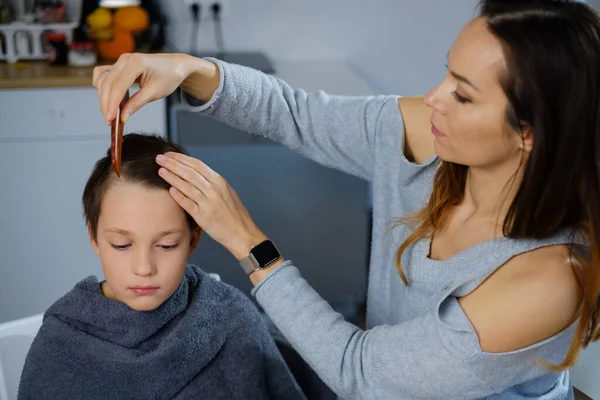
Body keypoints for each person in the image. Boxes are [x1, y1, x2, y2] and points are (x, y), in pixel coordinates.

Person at [92, 0, 600, 398]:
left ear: (531, 132)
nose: (433, 99)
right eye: (447, 73)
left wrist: (249, 242)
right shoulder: (430, 137)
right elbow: (294, 114)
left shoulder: (547, 280)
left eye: (463, 95)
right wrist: (184, 68)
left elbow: (361, 373)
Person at [17, 133, 306, 400]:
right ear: (94, 237)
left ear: (193, 240)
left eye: (166, 245)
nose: (144, 267)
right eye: (121, 244)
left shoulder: (231, 320)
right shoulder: (61, 343)